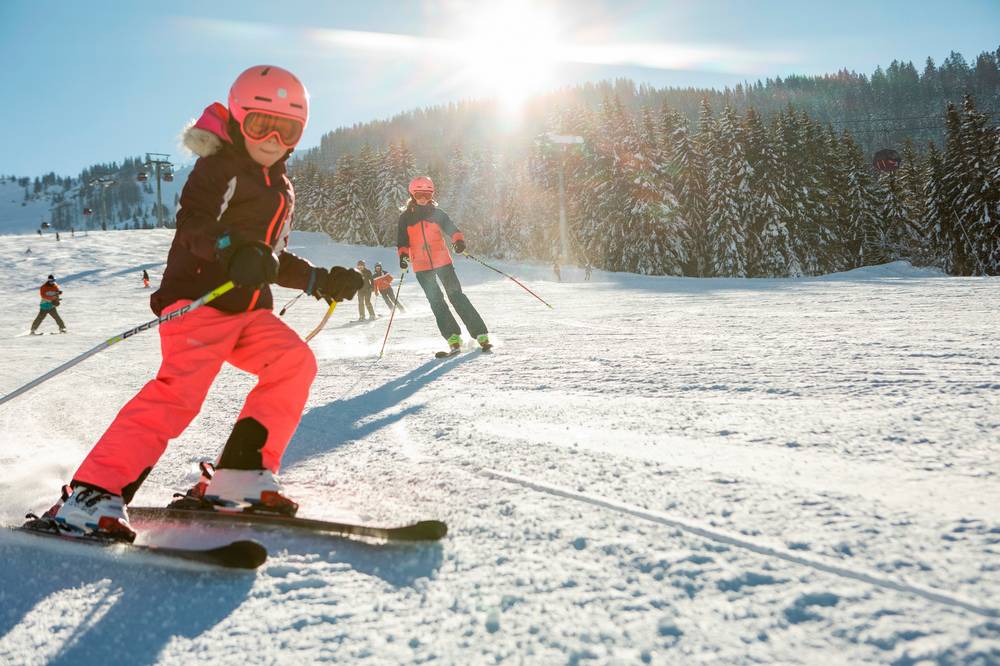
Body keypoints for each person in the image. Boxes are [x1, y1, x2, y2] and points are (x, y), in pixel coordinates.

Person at [39, 65, 363, 542]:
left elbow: (269, 257)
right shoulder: (219, 166)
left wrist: (319, 279)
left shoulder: (281, 188)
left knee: (294, 362)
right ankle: (93, 493)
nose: (273, 139)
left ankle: (241, 475)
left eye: (287, 131)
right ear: (238, 119)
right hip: (198, 300)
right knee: (180, 394)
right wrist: (230, 251)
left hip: (248, 309)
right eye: (261, 126)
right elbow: (194, 223)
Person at [397, 176, 490, 353]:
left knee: (456, 295)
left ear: (431, 195)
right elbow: (402, 242)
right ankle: (453, 337)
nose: (422, 198)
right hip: (421, 265)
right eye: (418, 195)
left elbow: (453, 230)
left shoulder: (438, 214)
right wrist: (403, 257)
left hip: (443, 262)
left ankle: (480, 334)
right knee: (436, 301)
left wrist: (458, 241)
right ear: (412, 195)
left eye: (426, 195)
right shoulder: (405, 218)